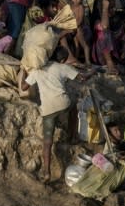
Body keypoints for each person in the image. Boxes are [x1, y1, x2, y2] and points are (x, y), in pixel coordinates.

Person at [20, 46, 97, 183]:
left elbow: (23, 88)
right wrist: (93, 71)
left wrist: (23, 73)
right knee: (73, 107)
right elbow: (82, 78)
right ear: (62, 59)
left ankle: (47, 173)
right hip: (64, 104)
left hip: (48, 109)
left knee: (47, 142)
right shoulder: (62, 67)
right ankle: (72, 137)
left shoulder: (38, 70)